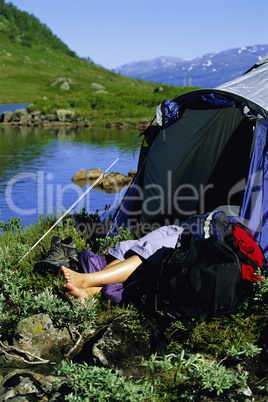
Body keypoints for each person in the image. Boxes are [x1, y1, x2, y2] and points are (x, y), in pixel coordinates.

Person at [61, 224, 184, 305]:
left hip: (199, 235)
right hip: (188, 224)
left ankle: (85, 280)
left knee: (154, 249)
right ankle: (89, 291)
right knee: (140, 244)